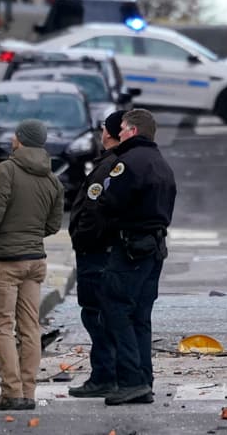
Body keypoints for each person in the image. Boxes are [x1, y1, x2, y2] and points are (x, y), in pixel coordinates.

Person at [92, 109, 176, 405]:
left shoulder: (127, 164)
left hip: (130, 248)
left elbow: (109, 201)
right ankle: (143, 379)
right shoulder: (160, 163)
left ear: (134, 132)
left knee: (117, 309)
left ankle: (130, 379)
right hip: (154, 248)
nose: (120, 133)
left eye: (124, 128)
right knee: (140, 315)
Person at [0, 118, 64, 410]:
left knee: (1, 326)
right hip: (35, 260)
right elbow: (53, 224)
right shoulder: (52, 179)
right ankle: (28, 392)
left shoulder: (5, 171)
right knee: (30, 327)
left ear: (19, 139)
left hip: (6, 260)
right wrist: (29, 232)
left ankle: (11, 392)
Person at [65, 110, 126, 399]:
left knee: (96, 315)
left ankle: (104, 375)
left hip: (97, 253)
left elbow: (94, 211)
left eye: (103, 128)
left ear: (111, 133)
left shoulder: (109, 166)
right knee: (103, 315)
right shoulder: (114, 164)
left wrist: (82, 238)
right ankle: (108, 372)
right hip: (104, 251)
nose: (100, 133)